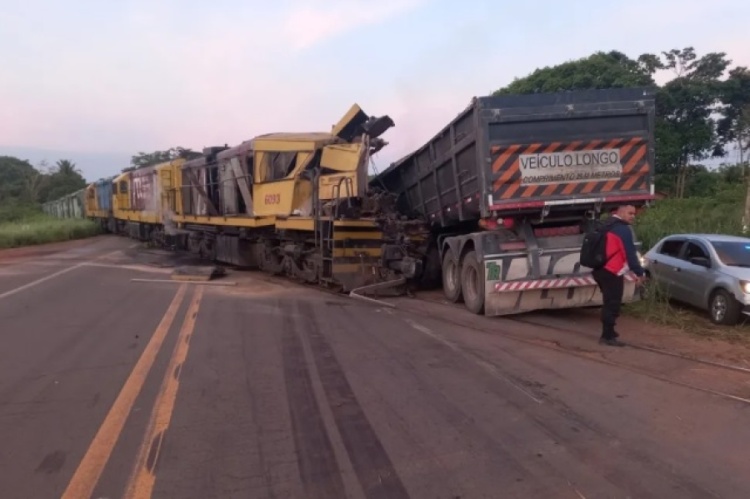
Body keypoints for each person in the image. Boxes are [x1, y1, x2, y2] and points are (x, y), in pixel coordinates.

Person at [592, 204, 647, 346]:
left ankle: (609, 332)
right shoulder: (623, 229)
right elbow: (630, 253)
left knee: (608, 302)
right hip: (611, 271)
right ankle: (607, 336)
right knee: (612, 304)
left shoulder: (606, 224)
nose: (633, 216)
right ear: (621, 212)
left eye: (634, 214)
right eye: (630, 213)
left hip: (600, 269)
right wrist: (639, 272)